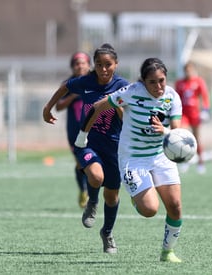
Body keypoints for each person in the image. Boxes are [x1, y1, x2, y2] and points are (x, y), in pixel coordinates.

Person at [75, 57, 184, 263]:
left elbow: (176, 132)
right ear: (143, 81)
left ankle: (167, 252)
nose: (159, 86)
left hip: (160, 156)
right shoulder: (131, 92)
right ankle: (136, 195)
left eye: (162, 80)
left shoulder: (172, 97)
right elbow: (98, 106)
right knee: (150, 210)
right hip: (133, 158)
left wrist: (165, 130)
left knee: (176, 206)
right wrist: (83, 136)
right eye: (152, 82)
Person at [43, 43, 129, 254]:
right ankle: (92, 201)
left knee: (112, 196)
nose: (103, 69)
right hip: (87, 142)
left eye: (108, 64)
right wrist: (48, 107)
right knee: (96, 177)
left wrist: (121, 111)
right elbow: (65, 86)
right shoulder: (86, 81)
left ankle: (107, 233)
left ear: (116, 64)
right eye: (98, 64)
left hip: (114, 148)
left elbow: (132, 111)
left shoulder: (124, 86)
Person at [54, 52, 91, 209]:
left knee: (94, 162)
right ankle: (83, 190)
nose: (80, 66)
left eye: (83, 63)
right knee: (81, 163)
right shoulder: (68, 84)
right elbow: (58, 106)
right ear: (72, 67)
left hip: (94, 129)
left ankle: (92, 193)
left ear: (89, 65)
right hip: (74, 131)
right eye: (77, 63)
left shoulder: (95, 81)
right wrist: (73, 96)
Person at [174, 61, 211, 174]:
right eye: (186, 70)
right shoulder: (180, 83)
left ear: (194, 70)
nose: (188, 72)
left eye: (190, 70)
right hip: (184, 114)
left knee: (197, 138)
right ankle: (185, 160)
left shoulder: (199, 81)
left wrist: (205, 110)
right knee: (183, 137)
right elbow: (176, 98)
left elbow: (205, 97)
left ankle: (201, 162)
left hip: (195, 114)